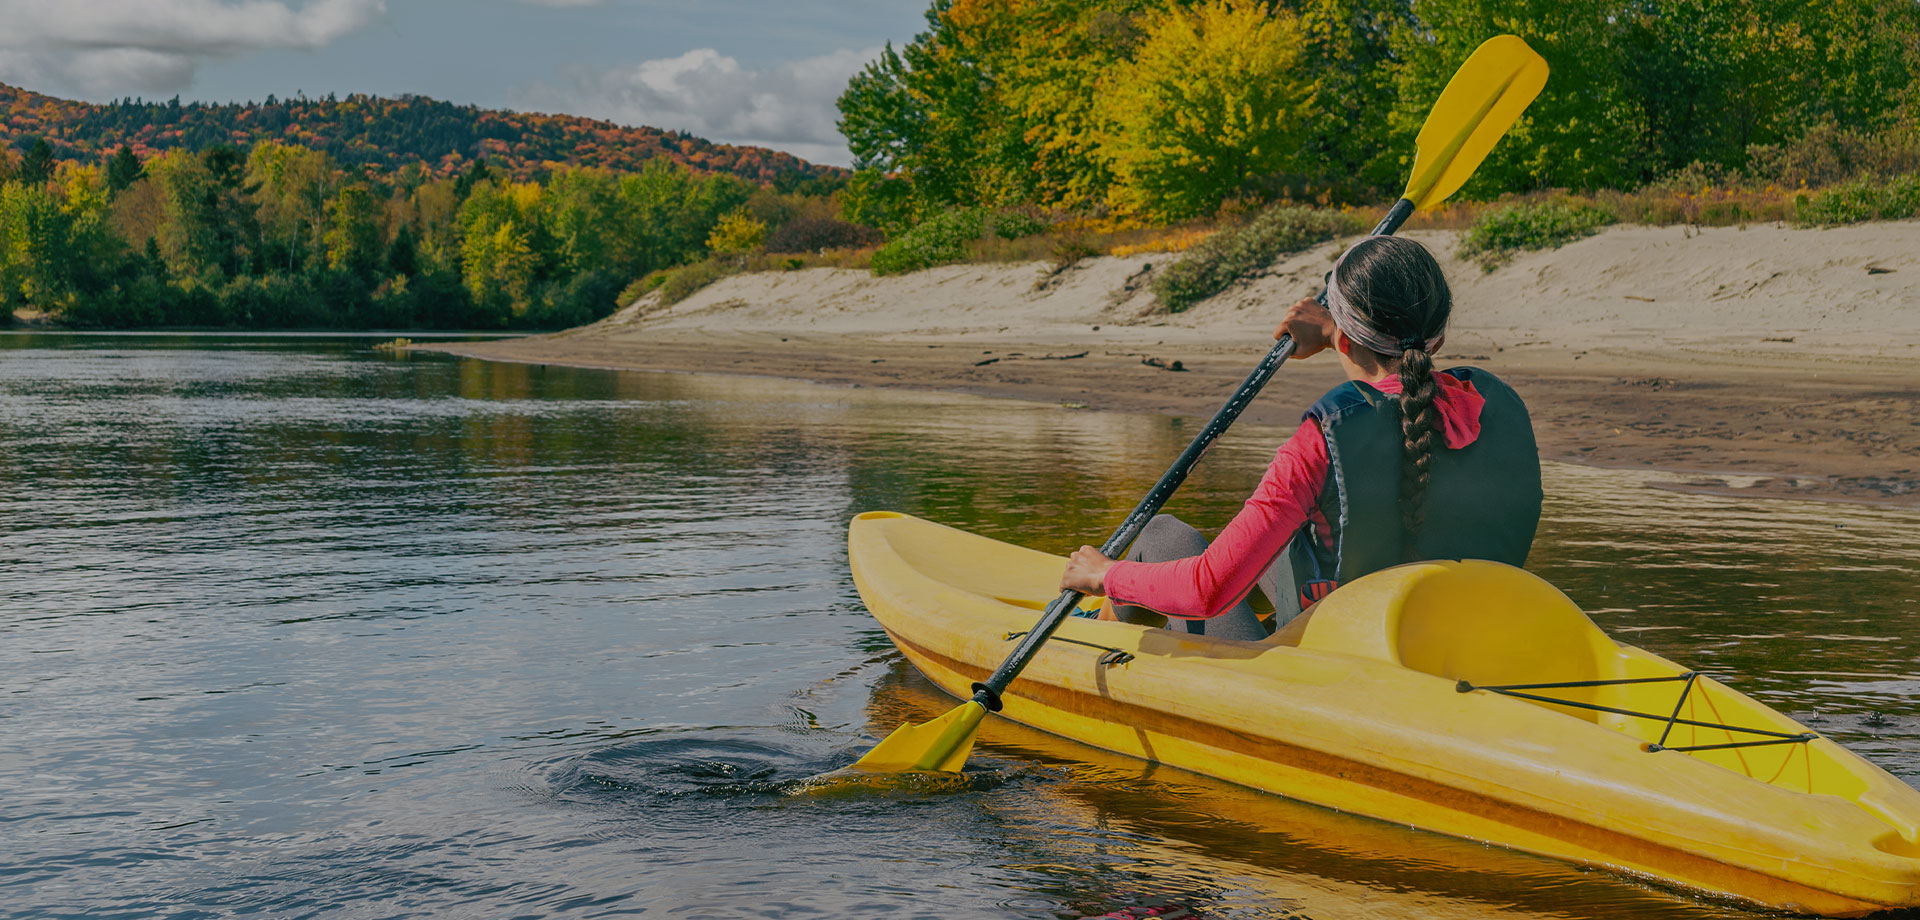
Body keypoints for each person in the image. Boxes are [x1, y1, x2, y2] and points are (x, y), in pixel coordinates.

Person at [1058, 235, 1543, 641]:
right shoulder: (1492, 404)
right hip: (1462, 646)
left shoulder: (1321, 441)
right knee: (1277, 540)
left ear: (1347, 340)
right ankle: (1120, 615)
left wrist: (1105, 574)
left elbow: (1206, 591)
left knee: (1166, 535)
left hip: (1336, 670)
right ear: (1436, 337)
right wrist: (1336, 329)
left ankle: (1099, 625)